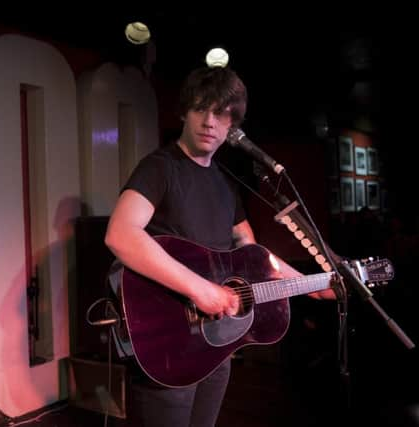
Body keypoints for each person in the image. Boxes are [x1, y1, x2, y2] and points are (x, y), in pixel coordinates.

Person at [104, 65, 334, 427]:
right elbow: (120, 233)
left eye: (222, 114)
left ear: (233, 125)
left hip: (216, 344)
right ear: (184, 112)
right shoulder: (159, 168)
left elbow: (254, 256)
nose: (211, 122)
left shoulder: (225, 182)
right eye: (201, 109)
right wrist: (199, 290)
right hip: (168, 337)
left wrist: (315, 284)